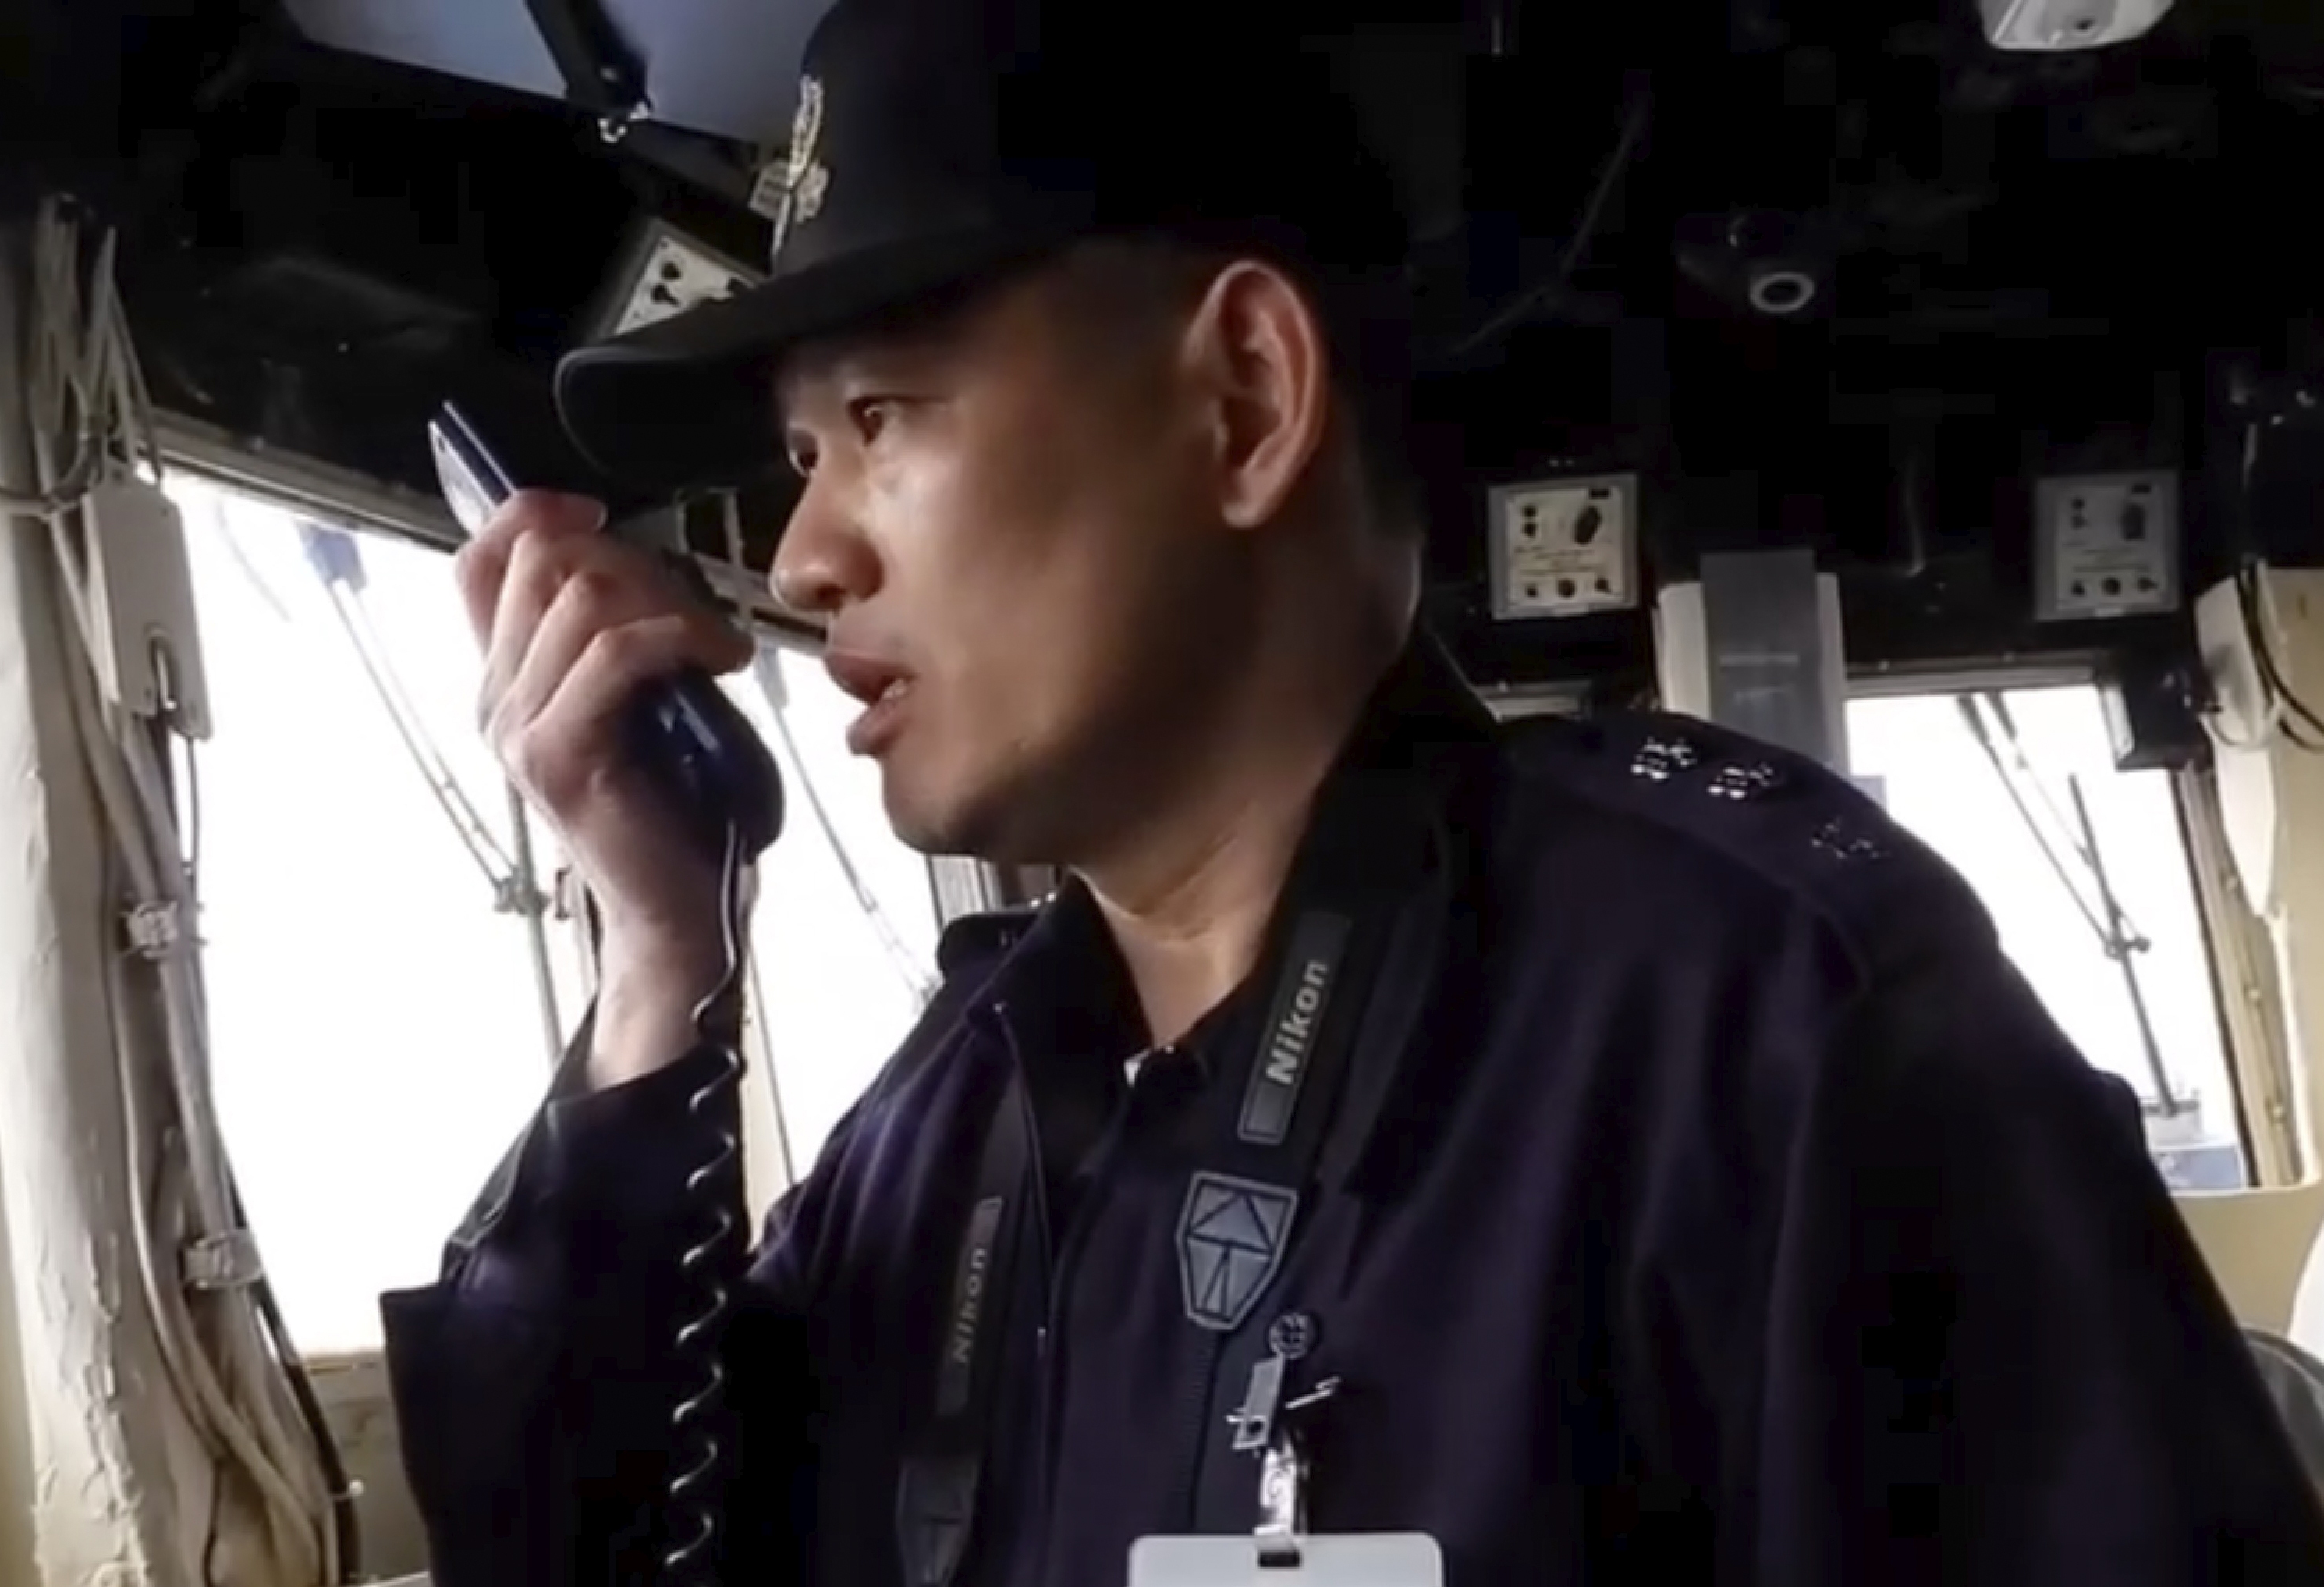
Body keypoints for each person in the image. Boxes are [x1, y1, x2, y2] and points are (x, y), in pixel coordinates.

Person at [381, 0, 2324, 1581]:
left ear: (1244, 398)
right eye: (803, 459)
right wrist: (659, 959)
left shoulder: (1767, 1019)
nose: (805, 562)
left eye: (880, 419)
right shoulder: (953, 1124)